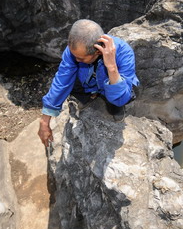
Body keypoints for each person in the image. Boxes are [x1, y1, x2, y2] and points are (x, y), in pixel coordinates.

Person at [38, 19, 139, 147]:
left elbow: (121, 97)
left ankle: (114, 107)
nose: (75, 59)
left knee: (119, 99)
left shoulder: (124, 53)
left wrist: (111, 67)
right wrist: (45, 120)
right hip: (88, 81)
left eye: (80, 58)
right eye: (74, 55)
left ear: (97, 51)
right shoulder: (73, 52)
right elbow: (62, 81)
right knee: (71, 82)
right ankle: (89, 96)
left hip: (109, 86)